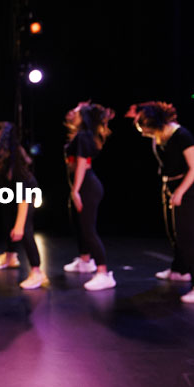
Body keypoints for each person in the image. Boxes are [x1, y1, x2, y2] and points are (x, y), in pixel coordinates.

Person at [129, 101, 194, 304]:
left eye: (145, 128)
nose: (143, 133)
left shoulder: (182, 135)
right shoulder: (161, 137)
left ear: (155, 124)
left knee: (186, 238)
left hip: (190, 191)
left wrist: (180, 192)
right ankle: (179, 270)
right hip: (170, 187)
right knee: (174, 234)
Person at [0, 121, 46, 289]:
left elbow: (23, 194)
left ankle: (37, 272)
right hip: (11, 193)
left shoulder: (15, 157)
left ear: (2, 137)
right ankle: (10, 257)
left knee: (25, 231)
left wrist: (19, 225)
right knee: (7, 221)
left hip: (26, 194)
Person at [62, 101, 116, 291]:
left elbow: (82, 163)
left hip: (87, 186)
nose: (72, 112)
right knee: (78, 225)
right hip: (81, 185)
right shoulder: (80, 135)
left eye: (76, 111)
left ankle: (103, 272)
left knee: (88, 229)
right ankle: (85, 260)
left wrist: (76, 190)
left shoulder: (84, 135)